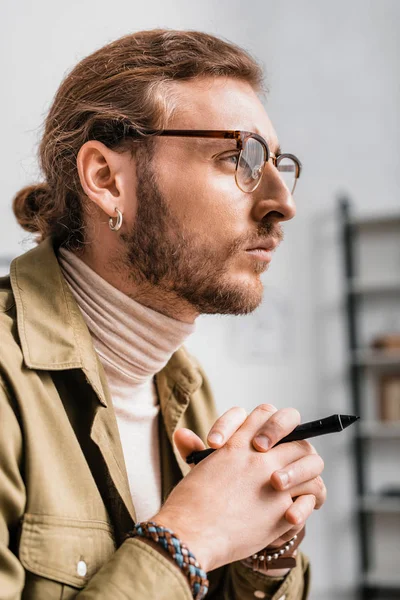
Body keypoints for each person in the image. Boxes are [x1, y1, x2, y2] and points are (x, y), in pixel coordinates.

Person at [0, 29, 326, 600]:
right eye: (239, 157)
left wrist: (263, 551)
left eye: (279, 163)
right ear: (105, 179)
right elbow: (187, 547)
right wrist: (189, 537)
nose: (282, 201)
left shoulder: (183, 386)